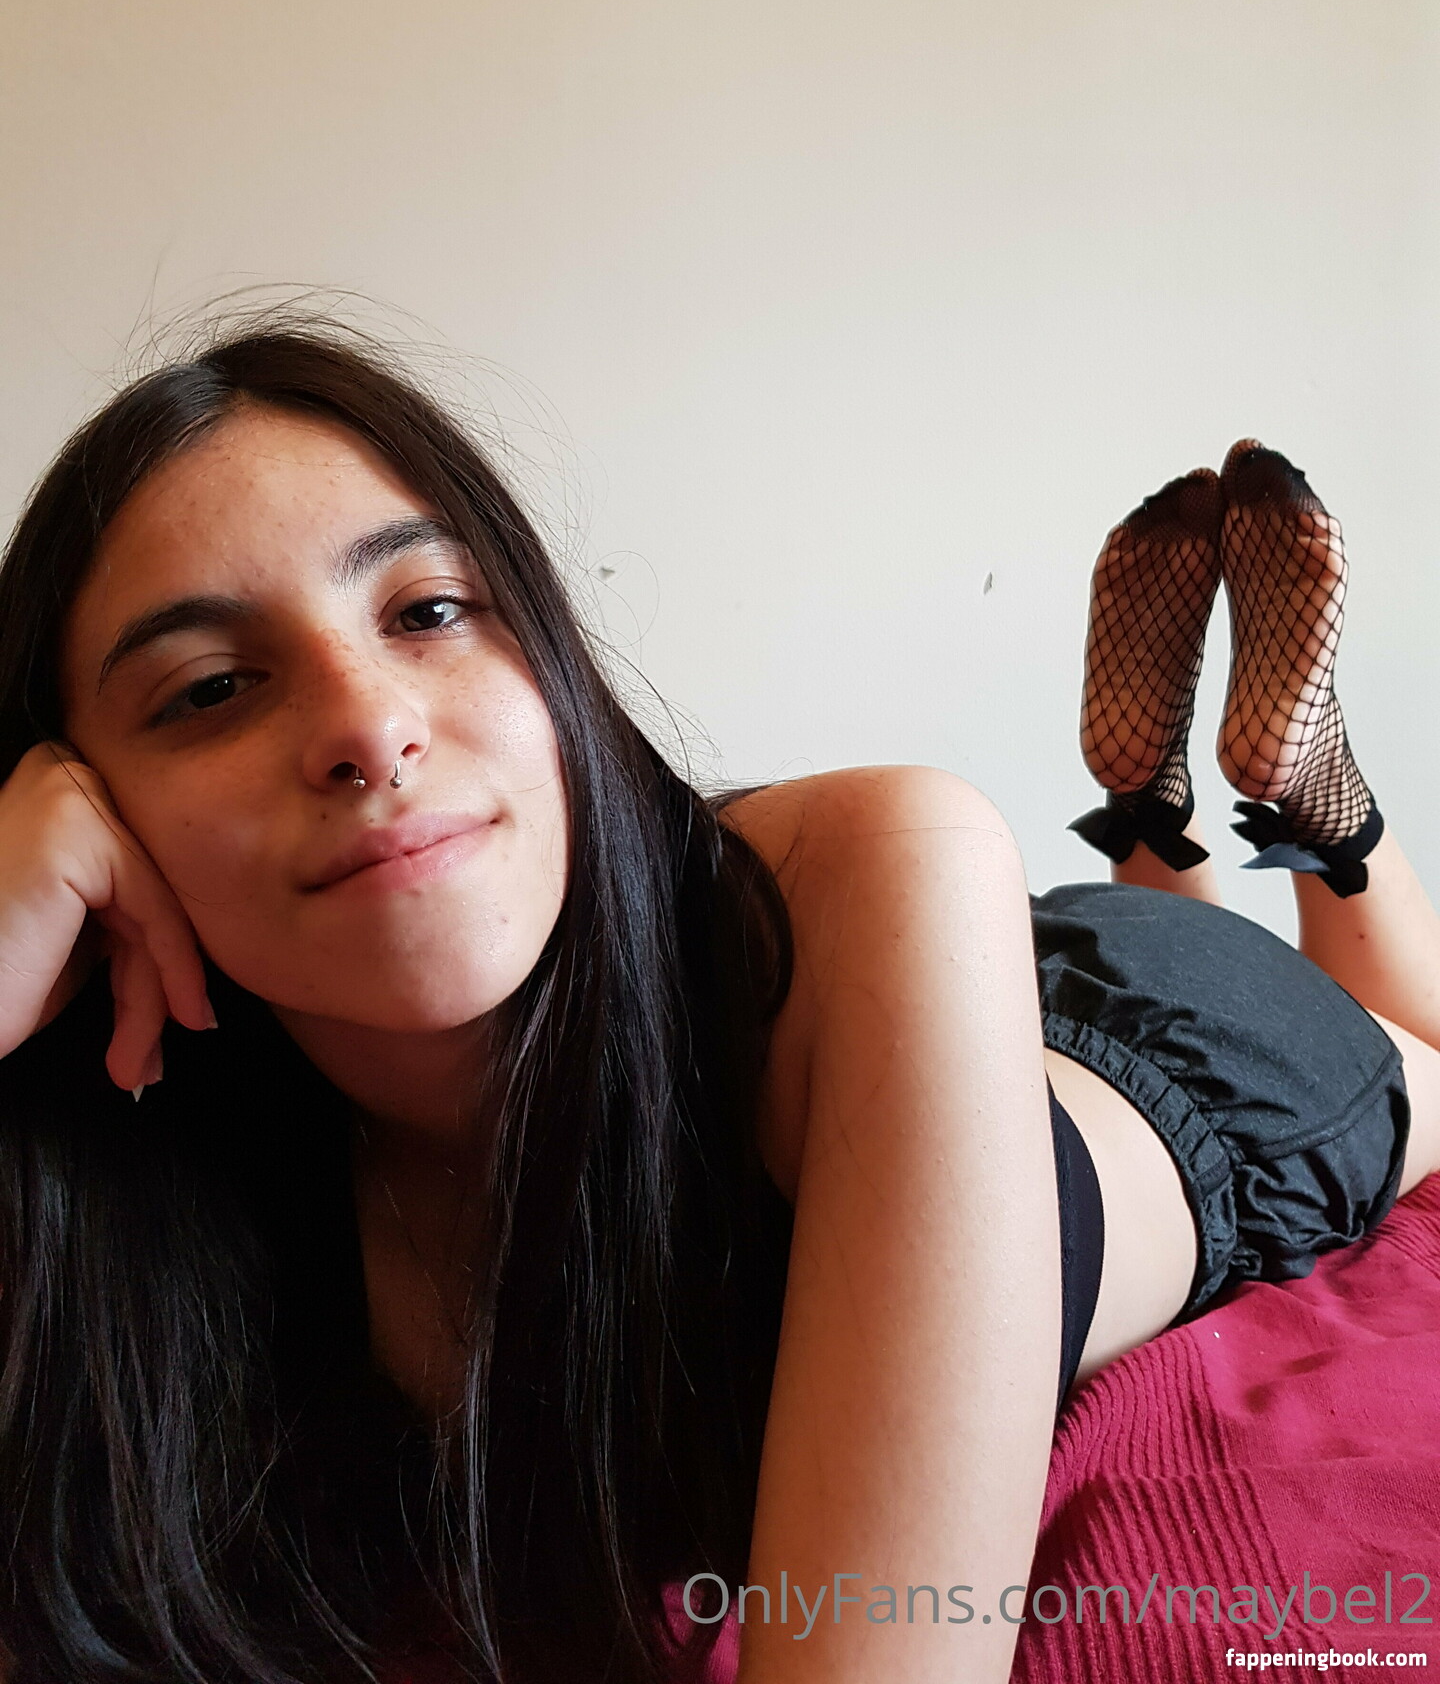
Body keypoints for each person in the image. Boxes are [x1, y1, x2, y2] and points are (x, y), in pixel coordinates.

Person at [0, 327, 1435, 1684]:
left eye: (429, 610)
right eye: (210, 689)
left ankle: (1313, 811)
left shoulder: (886, 846)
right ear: (92, 809)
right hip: (922, 1006)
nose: (369, 726)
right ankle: (1152, 807)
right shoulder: (147, 1194)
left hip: (1179, 1050)